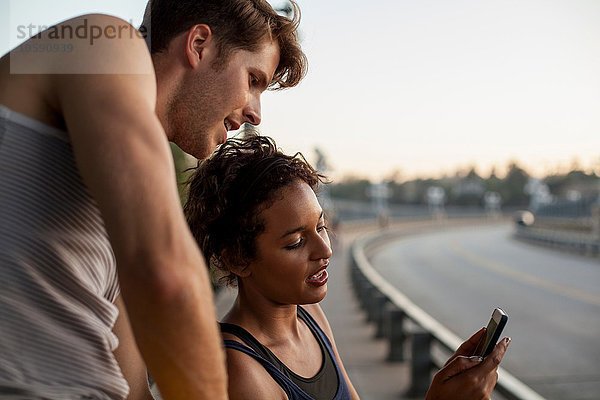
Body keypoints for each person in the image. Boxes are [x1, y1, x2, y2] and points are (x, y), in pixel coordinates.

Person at [0, 1, 306, 399]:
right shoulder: (106, 41)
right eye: (253, 80)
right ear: (198, 44)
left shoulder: (110, 196)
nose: (255, 113)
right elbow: (168, 276)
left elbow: (132, 388)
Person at [184, 135, 511, 400]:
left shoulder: (310, 317)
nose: (325, 249)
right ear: (236, 258)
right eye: (296, 242)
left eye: (321, 227)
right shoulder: (241, 373)